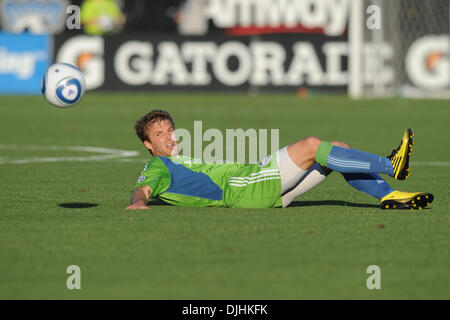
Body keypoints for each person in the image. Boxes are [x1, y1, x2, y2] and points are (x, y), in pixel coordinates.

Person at [126, 110, 434, 210]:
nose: (169, 137)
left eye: (170, 130)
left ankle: (390, 195)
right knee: (313, 145)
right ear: (148, 145)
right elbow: (143, 190)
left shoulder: (177, 161)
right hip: (244, 189)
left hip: (254, 189)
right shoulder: (158, 166)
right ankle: (391, 165)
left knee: (336, 150)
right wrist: (138, 203)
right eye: (159, 135)